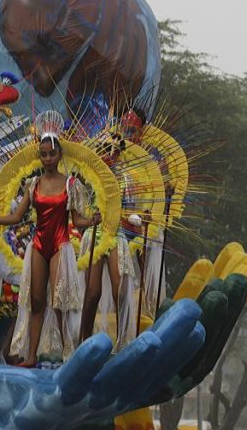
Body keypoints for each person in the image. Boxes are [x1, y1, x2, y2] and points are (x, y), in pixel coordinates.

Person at [0, 111, 100, 366]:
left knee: (59, 301)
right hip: (39, 245)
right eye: (43, 154)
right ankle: (30, 356)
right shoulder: (33, 184)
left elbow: (77, 221)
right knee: (36, 301)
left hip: (60, 245)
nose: (48, 158)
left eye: (52, 154)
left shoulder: (70, 184)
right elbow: (15, 218)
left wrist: (92, 221)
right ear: (39, 156)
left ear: (59, 154)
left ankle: (69, 355)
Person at [78, 131, 141, 352]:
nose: (108, 154)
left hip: (116, 234)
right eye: (104, 149)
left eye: (112, 150)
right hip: (94, 233)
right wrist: (89, 219)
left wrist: (140, 217)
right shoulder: (88, 178)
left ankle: (123, 342)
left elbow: (132, 211)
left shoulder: (125, 179)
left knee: (120, 290)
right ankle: (83, 341)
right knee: (92, 293)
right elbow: (78, 214)